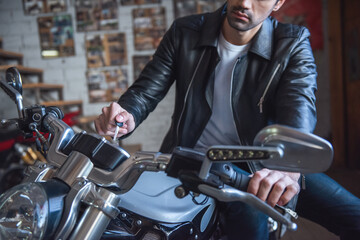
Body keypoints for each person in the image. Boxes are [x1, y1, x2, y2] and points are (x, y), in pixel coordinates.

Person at [95, 0, 360, 239]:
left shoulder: (291, 42)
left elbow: (299, 106)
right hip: (194, 161)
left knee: (354, 217)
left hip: (263, 165)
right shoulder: (184, 31)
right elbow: (145, 91)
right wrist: (125, 114)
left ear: (279, 3)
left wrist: (286, 165)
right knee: (248, 221)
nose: (244, 3)